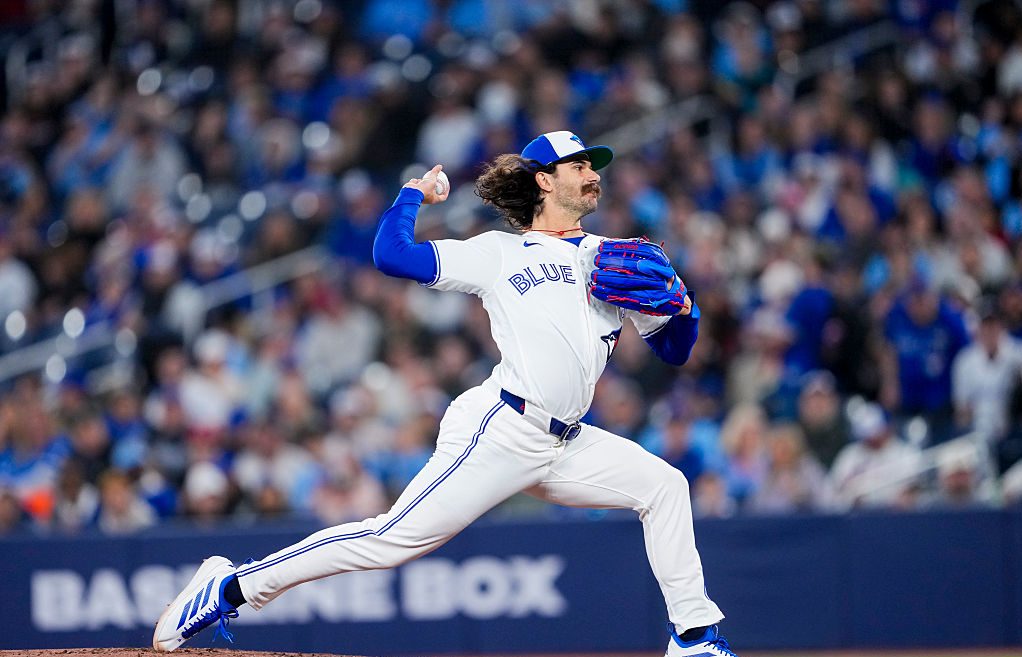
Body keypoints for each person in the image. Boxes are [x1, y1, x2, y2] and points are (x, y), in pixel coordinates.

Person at [153, 131, 736, 657]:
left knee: (664, 486)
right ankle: (230, 586)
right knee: (391, 541)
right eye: (579, 164)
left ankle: (693, 639)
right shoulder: (499, 253)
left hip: (566, 440)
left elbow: (675, 352)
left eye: (594, 165)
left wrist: (683, 307)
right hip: (501, 428)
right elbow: (391, 255)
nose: (593, 174)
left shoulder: (612, 259)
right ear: (544, 179)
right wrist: (412, 194)